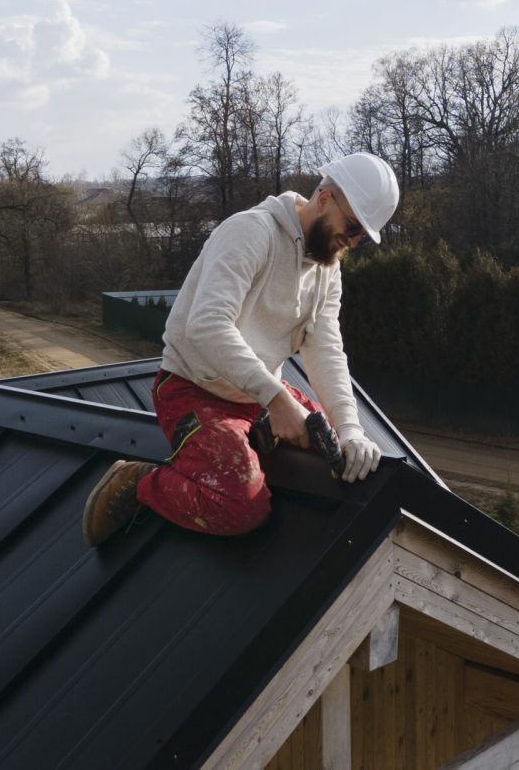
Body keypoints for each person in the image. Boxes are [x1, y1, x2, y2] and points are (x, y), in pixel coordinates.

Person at [81, 152, 399, 546]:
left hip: (258, 396)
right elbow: (207, 327)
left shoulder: (326, 268)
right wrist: (278, 400)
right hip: (194, 389)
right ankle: (138, 482)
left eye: (362, 238)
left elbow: (327, 348)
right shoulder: (252, 232)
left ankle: (259, 431)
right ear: (325, 197)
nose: (350, 242)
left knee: (336, 457)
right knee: (241, 507)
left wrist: (350, 428)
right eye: (351, 227)